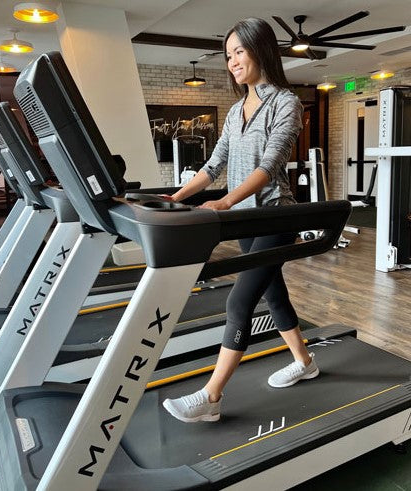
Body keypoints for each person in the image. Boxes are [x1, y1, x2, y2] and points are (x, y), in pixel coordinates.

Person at [162, 17, 319, 423]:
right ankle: (305, 361)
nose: (232, 61)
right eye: (228, 54)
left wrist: (226, 203)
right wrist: (174, 199)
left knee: (240, 299)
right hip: (246, 222)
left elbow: (270, 166)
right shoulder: (236, 111)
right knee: (272, 294)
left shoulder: (286, 103)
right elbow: (214, 165)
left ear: (260, 50)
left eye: (239, 52)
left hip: (273, 217)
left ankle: (211, 398)